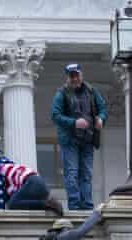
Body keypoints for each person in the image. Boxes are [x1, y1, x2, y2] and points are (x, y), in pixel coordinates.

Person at [51, 64, 107, 211]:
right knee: (72, 173)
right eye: (71, 75)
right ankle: (74, 207)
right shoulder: (61, 93)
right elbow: (55, 116)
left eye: (77, 75)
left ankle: (87, 206)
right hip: (70, 141)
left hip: (87, 139)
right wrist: (74, 123)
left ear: (81, 75)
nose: (75, 78)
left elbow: (102, 108)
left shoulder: (92, 91)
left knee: (86, 174)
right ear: (67, 77)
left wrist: (101, 118)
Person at [0, 149, 63, 214]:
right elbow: (11, 194)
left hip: (31, 183)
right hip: (41, 185)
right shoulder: (11, 166)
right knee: (19, 203)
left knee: (12, 204)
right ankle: (49, 203)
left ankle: (47, 204)